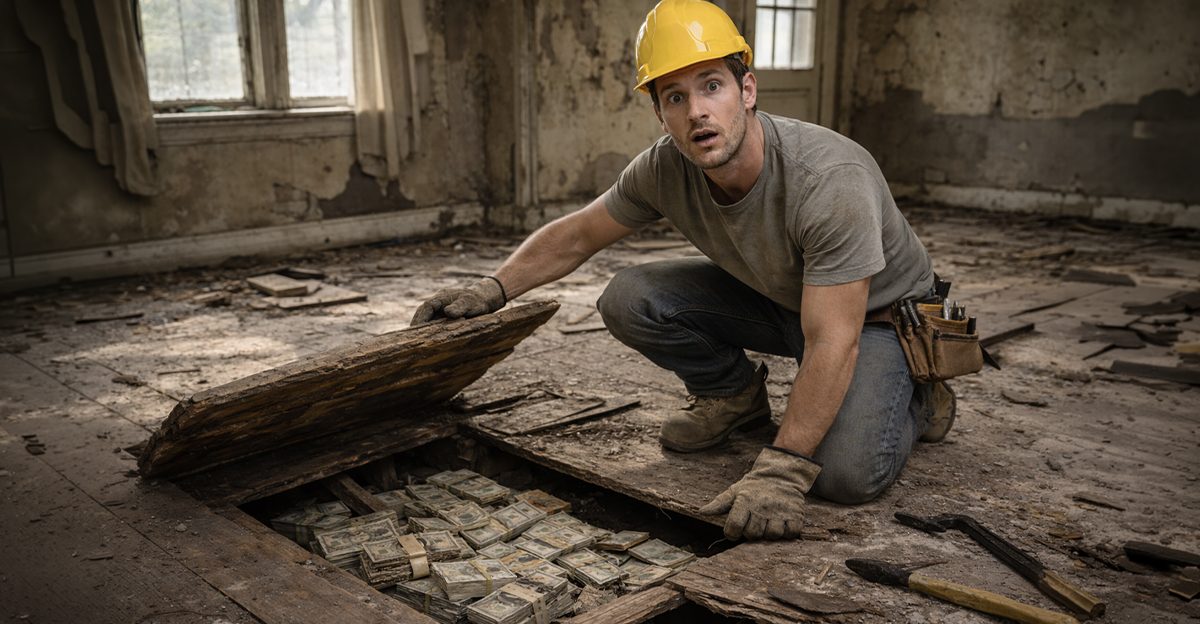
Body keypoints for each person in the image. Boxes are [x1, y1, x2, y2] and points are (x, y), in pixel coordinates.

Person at [411, 0, 955, 541]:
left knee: (842, 475)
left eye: (711, 86)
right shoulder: (665, 167)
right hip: (782, 299)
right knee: (631, 295)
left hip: (876, 321)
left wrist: (782, 467)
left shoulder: (828, 179)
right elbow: (579, 233)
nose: (696, 111)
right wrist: (492, 288)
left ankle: (919, 389)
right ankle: (733, 397)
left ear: (747, 91)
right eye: (675, 96)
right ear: (660, 113)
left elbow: (834, 339)